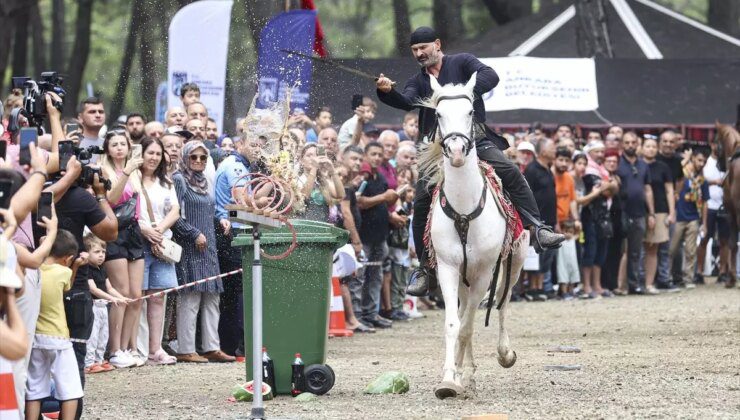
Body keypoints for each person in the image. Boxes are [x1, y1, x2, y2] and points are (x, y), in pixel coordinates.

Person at [375, 27, 564, 296]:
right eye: (415, 50)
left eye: (423, 48)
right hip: (437, 148)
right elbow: (406, 101)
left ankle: (538, 228)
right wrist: (386, 91)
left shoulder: (462, 61)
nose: (419, 53)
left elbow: (492, 75)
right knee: (420, 202)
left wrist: (463, 91)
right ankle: (425, 268)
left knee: (510, 170)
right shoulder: (418, 81)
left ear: (437, 44)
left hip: (475, 139)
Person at [172, 141, 235, 363]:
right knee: (190, 298)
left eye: (203, 158)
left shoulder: (205, 181)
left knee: (212, 297)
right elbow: (174, 215)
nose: (198, 161)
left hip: (209, 247)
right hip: (190, 247)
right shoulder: (179, 179)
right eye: (194, 157)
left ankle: (211, 346)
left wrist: (221, 220)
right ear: (185, 158)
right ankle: (186, 349)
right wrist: (193, 234)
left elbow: (211, 208)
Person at [25, 230, 85, 420]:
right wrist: (76, 266)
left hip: (35, 337)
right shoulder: (64, 272)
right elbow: (67, 286)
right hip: (58, 337)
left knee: (34, 388)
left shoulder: (32, 270)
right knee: (70, 387)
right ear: (68, 258)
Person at [98, 129, 146, 368]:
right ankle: (115, 349)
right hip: (114, 231)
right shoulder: (104, 170)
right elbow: (112, 199)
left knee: (137, 294)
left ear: (129, 147)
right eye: (114, 144)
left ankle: (131, 347)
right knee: (121, 291)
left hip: (135, 231)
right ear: (107, 148)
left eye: (122, 144)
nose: (119, 148)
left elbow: (139, 204)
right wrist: (126, 172)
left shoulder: (136, 172)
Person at [137, 137, 180, 365]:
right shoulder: (133, 180)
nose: (153, 157)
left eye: (157, 153)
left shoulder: (166, 182)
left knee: (158, 297)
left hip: (162, 244)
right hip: (140, 242)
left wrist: (160, 230)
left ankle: (156, 348)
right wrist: (146, 231)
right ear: (140, 154)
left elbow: (175, 210)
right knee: (139, 297)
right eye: (149, 152)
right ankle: (139, 348)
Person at [357, 143, 396, 329]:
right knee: (361, 275)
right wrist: (384, 197)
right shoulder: (361, 178)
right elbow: (360, 203)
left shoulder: (379, 176)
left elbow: (385, 201)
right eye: (373, 154)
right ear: (365, 155)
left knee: (376, 275)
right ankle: (359, 315)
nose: (377, 157)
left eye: (379, 154)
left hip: (380, 235)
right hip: (364, 235)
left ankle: (372, 313)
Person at [82, 234, 129, 373]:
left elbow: (110, 288)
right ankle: (89, 362)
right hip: (93, 306)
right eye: (97, 252)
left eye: (103, 252)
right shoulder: (86, 269)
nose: (101, 255)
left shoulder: (102, 269)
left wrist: (121, 298)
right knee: (93, 335)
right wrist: (111, 298)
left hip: (103, 306)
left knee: (104, 335)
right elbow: (93, 289)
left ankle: (99, 359)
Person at [617, 132, 655, 294]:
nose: (630, 145)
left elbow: (648, 189)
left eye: (633, 142)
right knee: (620, 251)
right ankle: (618, 285)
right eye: (627, 143)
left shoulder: (643, 165)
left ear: (637, 144)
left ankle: (634, 284)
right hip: (621, 212)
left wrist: (652, 213)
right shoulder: (617, 164)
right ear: (622, 145)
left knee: (635, 251)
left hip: (640, 213)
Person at [669, 150, 709, 289]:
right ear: (692, 159)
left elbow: (705, 202)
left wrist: (704, 223)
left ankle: (688, 278)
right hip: (679, 216)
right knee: (671, 249)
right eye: (699, 160)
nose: (701, 164)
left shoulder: (702, 180)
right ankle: (666, 277)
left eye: (704, 161)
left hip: (693, 217)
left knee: (691, 251)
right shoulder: (682, 175)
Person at [524, 139, 558, 300]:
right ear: (543, 151)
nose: (555, 150)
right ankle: (532, 288)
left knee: (546, 255)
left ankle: (540, 286)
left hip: (550, 219)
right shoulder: (532, 170)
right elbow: (526, 195)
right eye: (552, 148)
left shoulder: (548, 170)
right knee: (534, 254)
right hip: (536, 220)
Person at [641, 137, 676, 294]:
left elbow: (670, 190)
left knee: (653, 248)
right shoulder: (638, 165)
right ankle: (636, 282)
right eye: (647, 146)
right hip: (638, 211)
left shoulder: (663, 167)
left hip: (661, 210)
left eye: (653, 146)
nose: (650, 149)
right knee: (635, 249)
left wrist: (672, 211)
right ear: (642, 148)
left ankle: (649, 283)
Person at [697, 140, 729, 284]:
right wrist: (714, 182)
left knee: (724, 241)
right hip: (708, 206)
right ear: (712, 145)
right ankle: (698, 272)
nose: (720, 147)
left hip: (724, 206)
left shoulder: (727, 163)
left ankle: (722, 272)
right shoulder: (705, 162)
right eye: (717, 144)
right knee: (704, 239)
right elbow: (698, 180)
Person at [297, 144, 344, 222]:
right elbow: (304, 197)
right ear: (301, 161)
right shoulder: (297, 180)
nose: (313, 158)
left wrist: (332, 170)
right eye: (309, 155)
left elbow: (341, 195)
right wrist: (314, 167)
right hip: (304, 228)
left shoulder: (321, 181)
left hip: (323, 228)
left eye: (316, 156)